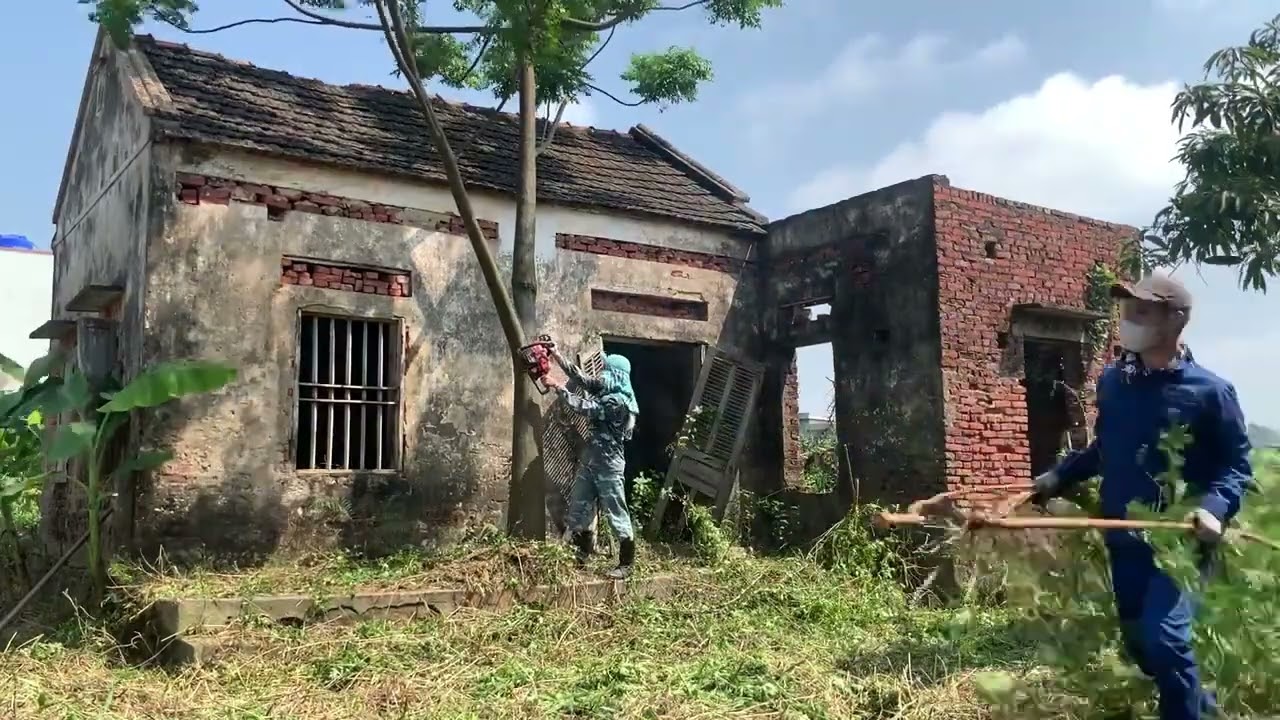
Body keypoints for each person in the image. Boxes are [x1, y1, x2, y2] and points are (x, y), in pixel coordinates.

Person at [1032, 272, 1252, 720]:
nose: (1128, 319)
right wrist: (1060, 475)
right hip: (1126, 537)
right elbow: (1106, 448)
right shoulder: (1115, 383)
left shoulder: (1211, 392)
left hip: (1181, 539)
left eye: (1142, 310)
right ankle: (1203, 709)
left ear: (1175, 321)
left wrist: (1214, 509)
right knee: (1141, 645)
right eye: (1126, 309)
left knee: (1165, 638)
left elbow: (1235, 467)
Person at [545, 348, 640, 580]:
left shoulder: (618, 403)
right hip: (591, 462)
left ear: (616, 374)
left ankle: (626, 564)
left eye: (607, 370)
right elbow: (582, 378)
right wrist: (556, 355)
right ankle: (582, 556)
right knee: (579, 507)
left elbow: (586, 408)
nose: (602, 374)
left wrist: (558, 387)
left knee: (616, 511)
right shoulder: (607, 389)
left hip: (609, 466)